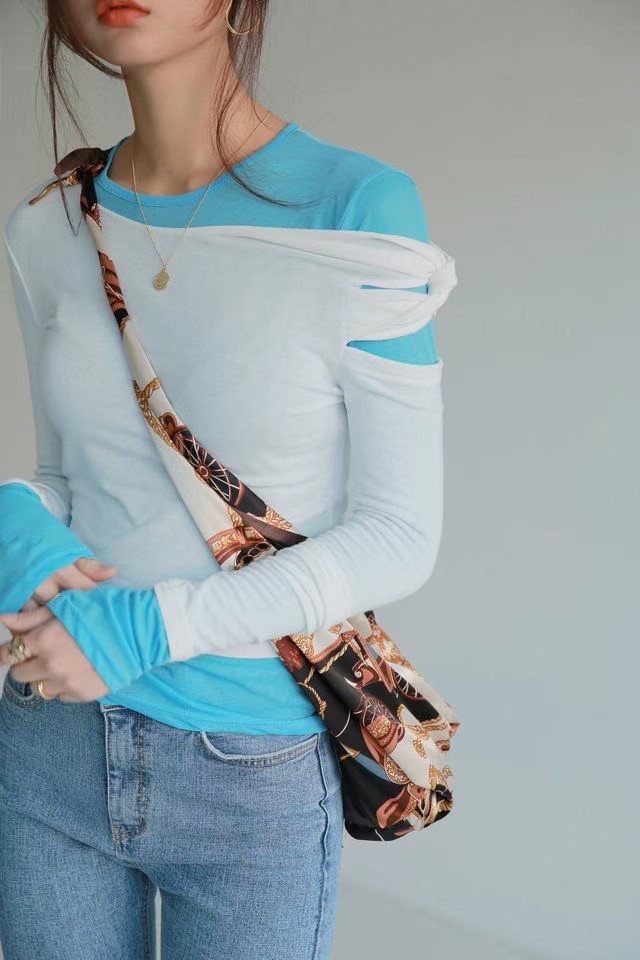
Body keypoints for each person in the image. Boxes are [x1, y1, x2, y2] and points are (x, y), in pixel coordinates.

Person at [0, 1, 457, 958]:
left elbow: (398, 534)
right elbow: (73, 478)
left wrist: (149, 627)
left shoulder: (356, 209)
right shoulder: (51, 224)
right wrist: (12, 518)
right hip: (50, 740)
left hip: (243, 765)